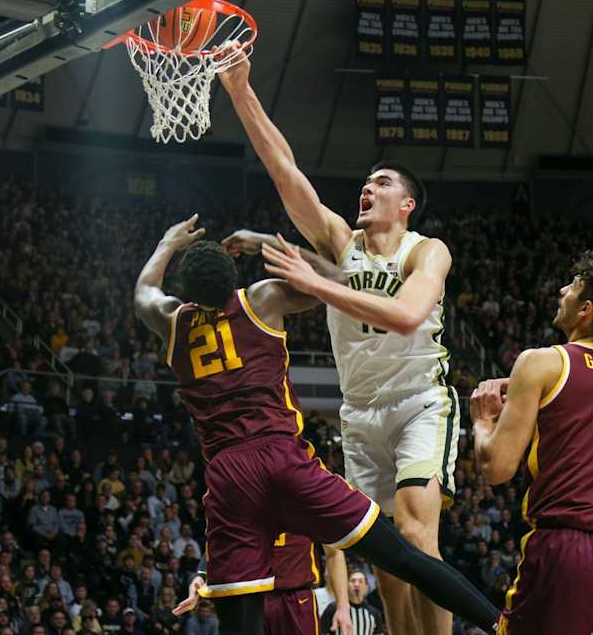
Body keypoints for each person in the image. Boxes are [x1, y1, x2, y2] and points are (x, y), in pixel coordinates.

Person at [134, 215, 499, 635]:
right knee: (405, 557)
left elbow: (144, 291)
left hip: (228, 474)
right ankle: (500, 623)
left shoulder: (171, 319)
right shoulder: (261, 298)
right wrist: (262, 242)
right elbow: (338, 278)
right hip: (282, 456)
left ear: (187, 290)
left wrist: (165, 242)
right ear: (232, 274)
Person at [220, 52, 457, 635]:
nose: (366, 188)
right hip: (359, 413)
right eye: (365, 182)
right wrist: (239, 89)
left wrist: (314, 281)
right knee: (385, 557)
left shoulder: (426, 250)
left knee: (415, 534)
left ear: (407, 204)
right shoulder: (340, 243)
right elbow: (285, 170)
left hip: (419, 402)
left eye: (381, 183)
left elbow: (406, 317)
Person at [470, 250, 593, 635]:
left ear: (586, 310)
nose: (563, 290)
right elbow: (591, 411)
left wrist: (483, 423)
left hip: (568, 548)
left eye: (573, 286)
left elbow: (497, 469)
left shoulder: (541, 362)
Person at [174, 533, 353, 635]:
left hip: (295, 596)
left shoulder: (307, 485)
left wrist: (343, 607)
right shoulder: (242, 485)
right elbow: (220, 538)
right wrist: (201, 575)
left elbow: (334, 552)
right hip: (250, 594)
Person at [321, 570, 385, 635]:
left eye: (360, 581)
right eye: (353, 581)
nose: (356, 584)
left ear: (366, 587)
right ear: (346, 585)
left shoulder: (374, 613)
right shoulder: (334, 608)